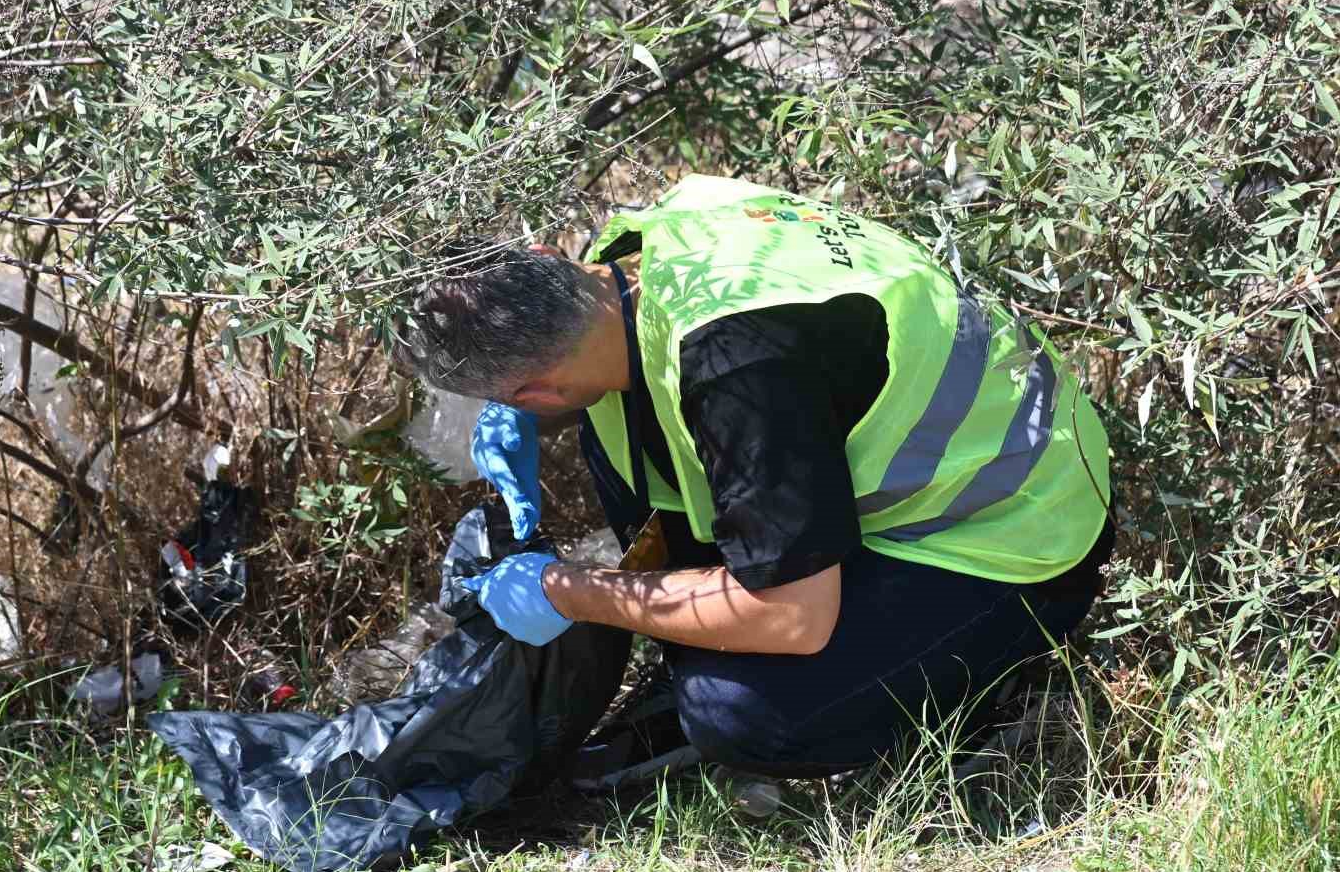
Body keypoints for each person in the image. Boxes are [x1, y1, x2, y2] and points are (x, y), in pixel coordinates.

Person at [394, 174, 1113, 784]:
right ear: (546, 258)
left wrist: (572, 591)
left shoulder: (738, 373)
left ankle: (984, 693)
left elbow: (793, 619)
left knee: (740, 713)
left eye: (508, 403)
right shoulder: (639, 247)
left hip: (1009, 526)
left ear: (535, 392)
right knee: (615, 435)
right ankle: (722, 640)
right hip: (915, 445)